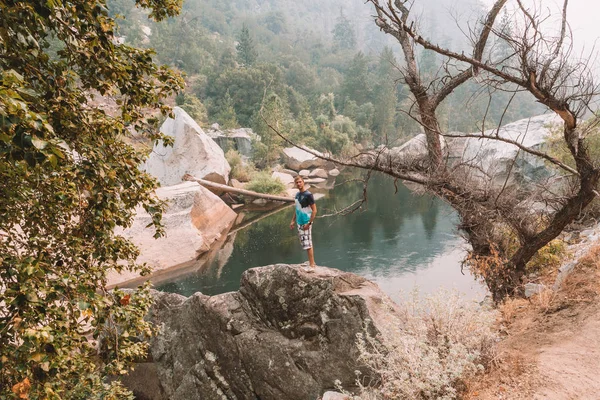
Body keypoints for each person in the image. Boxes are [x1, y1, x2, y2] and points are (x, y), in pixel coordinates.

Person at [289, 175, 317, 271]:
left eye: (300, 182)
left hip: (306, 222)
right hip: (299, 222)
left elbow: (314, 210)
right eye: (297, 182)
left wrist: (309, 223)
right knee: (305, 242)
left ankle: (312, 265)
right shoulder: (297, 195)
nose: (298, 184)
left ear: (303, 182)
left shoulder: (308, 195)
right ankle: (311, 262)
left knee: (308, 243)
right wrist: (293, 220)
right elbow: (297, 209)